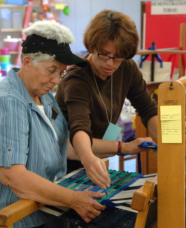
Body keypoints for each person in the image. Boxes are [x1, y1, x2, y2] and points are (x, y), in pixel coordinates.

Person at [0, 20, 107, 228]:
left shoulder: (43, 95)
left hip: (44, 205)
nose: (57, 80)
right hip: (16, 214)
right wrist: (73, 199)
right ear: (27, 63)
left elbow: (61, 144)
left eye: (60, 73)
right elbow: (12, 175)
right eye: (52, 70)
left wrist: (89, 158)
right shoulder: (9, 101)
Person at [55, 10, 158, 188]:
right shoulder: (77, 78)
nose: (110, 63)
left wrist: (172, 146)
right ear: (92, 46)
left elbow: (149, 110)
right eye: (104, 54)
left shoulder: (126, 68)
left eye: (118, 57)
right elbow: (79, 130)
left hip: (94, 160)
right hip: (65, 167)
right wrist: (92, 159)